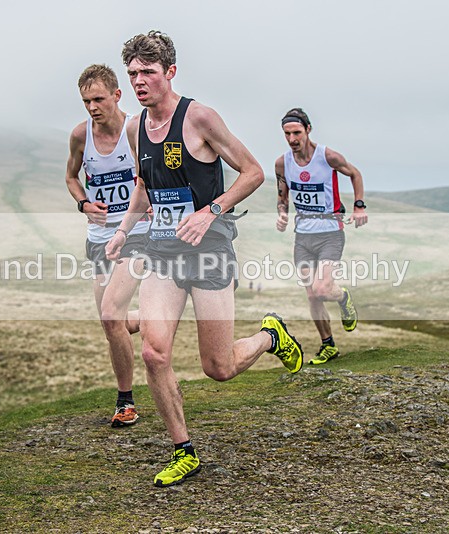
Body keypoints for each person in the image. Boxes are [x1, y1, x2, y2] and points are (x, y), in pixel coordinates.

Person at [105, 30, 304, 487]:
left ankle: (271, 337)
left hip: (210, 248)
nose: (139, 82)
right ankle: (184, 449)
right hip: (163, 253)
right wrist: (122, 230)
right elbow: (144, 187)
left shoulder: (199, 118)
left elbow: (252, 172)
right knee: (155, 352)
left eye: (148, 73)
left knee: (219, 368)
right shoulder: (135, 127)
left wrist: (210, 210)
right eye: (132, 74)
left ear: (169, 72)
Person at [65, 64, 150, 428]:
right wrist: (83, 203)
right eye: (86, 100)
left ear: (117, 95)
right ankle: (157, 319)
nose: (92, 107)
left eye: (98, 98)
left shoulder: (136, 130)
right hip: (98, 239)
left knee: (111, 314)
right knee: (111, 322)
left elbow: (151, 180)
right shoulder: (80, 136)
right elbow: (70, 176)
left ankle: (125, 401)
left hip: (135, 235)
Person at [274, 108, 368, 365]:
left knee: (323, 288)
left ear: (308, 130)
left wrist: (359, 206)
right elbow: (282, 197)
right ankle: (328, 345)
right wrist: (281, 213)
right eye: (287, 134)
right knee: (312, 295)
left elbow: (355, 174)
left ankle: (343, 297)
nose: (292, 139)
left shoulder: (328, 157)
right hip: (302, 236)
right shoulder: (283, 163)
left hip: (330, 232)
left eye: (296, 132)